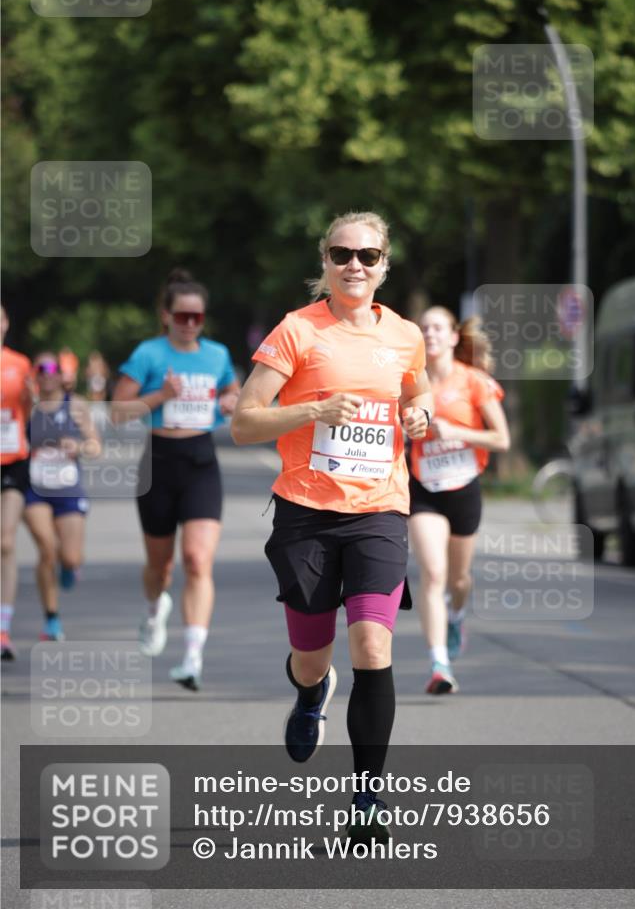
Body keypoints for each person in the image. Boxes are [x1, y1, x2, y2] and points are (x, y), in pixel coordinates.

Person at [231, 211, 432, 841]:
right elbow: (243, 422)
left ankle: (368, 803)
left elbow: (416, 392)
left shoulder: (403, 335)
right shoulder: (297, 331)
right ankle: (310, 694)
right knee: (313, 658)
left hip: (380, 508)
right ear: (325, 262)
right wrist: (315, 407)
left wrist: (419, 414)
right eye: (342, 254)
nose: (355, 265)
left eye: (367, 256)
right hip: (306, 513)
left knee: (373, 646)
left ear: (383, 265)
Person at [113, 269, 240, 691]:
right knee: (159, 568)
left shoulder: (218, 355)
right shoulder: (148, 354)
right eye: (181, 316)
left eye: (197, 317)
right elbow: (117, 412)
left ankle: (192, 658)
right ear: (166, 315)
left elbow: (234, 399)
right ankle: (155, 609)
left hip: (201, 461)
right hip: (158, 464)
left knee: (198, 560)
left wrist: (230, 400)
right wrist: (159, 398)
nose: (189, 324)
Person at [407, 306, 510, 695]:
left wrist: (457, 431)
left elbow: (502, 439)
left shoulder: (474, 381)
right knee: (432, 573)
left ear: (453, 337)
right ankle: (439, 664)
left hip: (464, 485)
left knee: (459, 578)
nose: (430, 334)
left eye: (438, 328)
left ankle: (457, 614)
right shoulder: (409, 383)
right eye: (424, 328)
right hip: (424, 487)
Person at [24, 351, 101, 641]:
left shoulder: (76, 405)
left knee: (69, 557)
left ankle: (70, 567)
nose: (45, 373)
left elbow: (96, 446)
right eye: (39, 368)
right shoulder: (26, 406)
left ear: (60, 372)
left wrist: (79, 447)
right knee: (47, 549)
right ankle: (51, 619)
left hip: (68, 490)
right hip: (34, 489)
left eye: (51, 367)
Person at [0, 305, 33, 659]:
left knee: (5, 541)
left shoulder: (19, 364)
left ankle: (3, 628)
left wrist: (33, 398)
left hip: (13, 459)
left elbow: (31, 409)